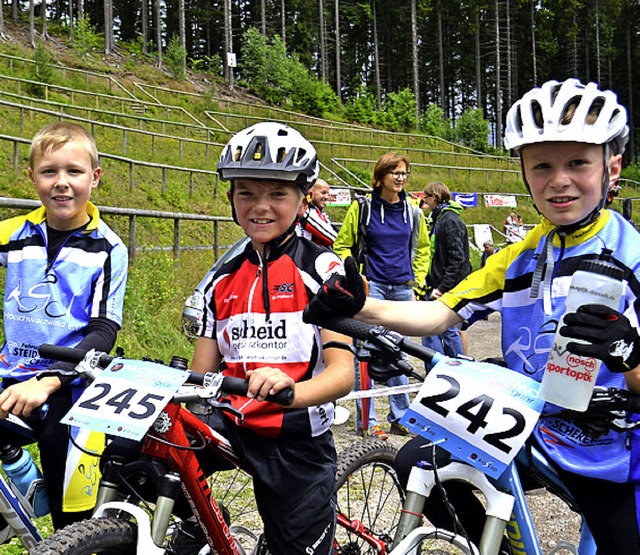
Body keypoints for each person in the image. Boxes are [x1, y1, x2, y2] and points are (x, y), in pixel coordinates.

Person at [305, 78, 640, 553]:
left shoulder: (634, 257)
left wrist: (628, 354)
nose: (558, 179)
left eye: (578, 163)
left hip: (613, 446)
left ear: (612, 167)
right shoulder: (521, 255)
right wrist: (359, 306)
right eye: (542, 165)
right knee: (419, 465)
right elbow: (440, 314)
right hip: (535, 427)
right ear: (524, 173)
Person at [187, 122, 354, 554]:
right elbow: (198, 376)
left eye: (277, 194)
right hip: (232, 424)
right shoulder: (219, 281)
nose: (261, 206)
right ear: (231, 199)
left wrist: (291, 392)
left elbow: (341, 377)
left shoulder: (322, 270)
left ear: (302, 201)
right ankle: (202, 530)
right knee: (141, 452)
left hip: (296, 437)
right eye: (247, 193)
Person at [0, 122, 128, 529]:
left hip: (73, 385)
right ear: (32, 177)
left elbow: (104, 330)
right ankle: (18, 478)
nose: (62, 183)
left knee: (70, 520)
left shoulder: (108, 247)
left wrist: (50, 380)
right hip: (12, 374)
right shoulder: (12, 234)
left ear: (95, 177)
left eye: (74, 171)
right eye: (49, 171)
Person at [332, 153, 430, 439]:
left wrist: (416, 284)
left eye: (404, 173)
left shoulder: (413, 212)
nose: (400, 178)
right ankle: (368, 420)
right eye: (395, 172)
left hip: (402, 288)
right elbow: (342, 246)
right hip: (371, 286)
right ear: (381, 176)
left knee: (399, 352)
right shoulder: (362, 207)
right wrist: (356, 278)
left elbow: (422, 249)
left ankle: (400, 417)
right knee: (368, 352)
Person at [420, 181, 471, 363]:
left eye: (426, 197)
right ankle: (440, 368)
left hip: (446, 287)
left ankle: (458, 368)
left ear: (435, 197)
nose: (424, 201)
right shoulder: (440, 218)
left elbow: (458, 259)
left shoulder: (449, 221)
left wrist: (442, 287)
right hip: (437, 284)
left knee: (447, 331)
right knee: (430, 330)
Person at [296, 177, 338, 247]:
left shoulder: (319, 212)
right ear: (311, 194)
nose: (327, 197)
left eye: (328, 193)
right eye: (323, 193)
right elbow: (335, 240)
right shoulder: (307, 212)